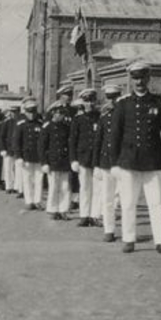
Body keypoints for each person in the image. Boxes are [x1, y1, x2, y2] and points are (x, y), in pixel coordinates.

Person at [112, 62, 161, 257]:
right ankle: (129, 239)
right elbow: (115, 134)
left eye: (142, 78)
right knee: (128, 203)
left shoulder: (158, 101)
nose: (139, 82)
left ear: (148, 79)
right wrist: (114, 163)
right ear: (131, 80)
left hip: (153, 162)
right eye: (135, 78)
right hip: (129, 162)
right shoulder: (123, 104)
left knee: (157, 204)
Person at [95, 83, 123, 240]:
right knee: (107, 197)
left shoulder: (126, 116)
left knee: (124, 198)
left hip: (122, 163)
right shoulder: (104, 118)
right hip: (106, 162)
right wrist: (97, 165)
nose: (112, 101)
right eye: (109, 98)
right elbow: (98, 142)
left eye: (115, 97)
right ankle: (109, 229)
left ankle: (127, 232)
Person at [69, 89, 100, 227]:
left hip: (97, 159)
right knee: (85, 188)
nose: (90, 104)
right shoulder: (78, 120)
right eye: (87, 101)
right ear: (83, 102)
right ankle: (84, 215)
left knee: (97, 188)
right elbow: (72, 141)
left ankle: (95, 215)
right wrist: (73, 159)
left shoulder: (100, 117)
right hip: (83, 158)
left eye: (92, 101)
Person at [40, 101, 72, 220]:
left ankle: (63, 210)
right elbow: (42, 147)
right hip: (52, 161)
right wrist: (44, 162)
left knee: (65, 187)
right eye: (59, 113)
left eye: (62, 113)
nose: (61, 116)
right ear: (54, 113)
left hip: (64, 161)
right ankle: (53, 209)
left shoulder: (66, 127)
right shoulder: (47, 127)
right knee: (53, 186)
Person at [15, 98, 44, 210]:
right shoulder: (21, 125)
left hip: (38, 157)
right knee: (27, 179)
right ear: (25, 112)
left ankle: (37, 201)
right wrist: (18, 156)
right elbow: (16, 142)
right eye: (29, 112)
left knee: (39, 180)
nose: (31, 114)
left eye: (33, 112)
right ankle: (29, 200)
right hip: (26, 157)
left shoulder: (40, 124)